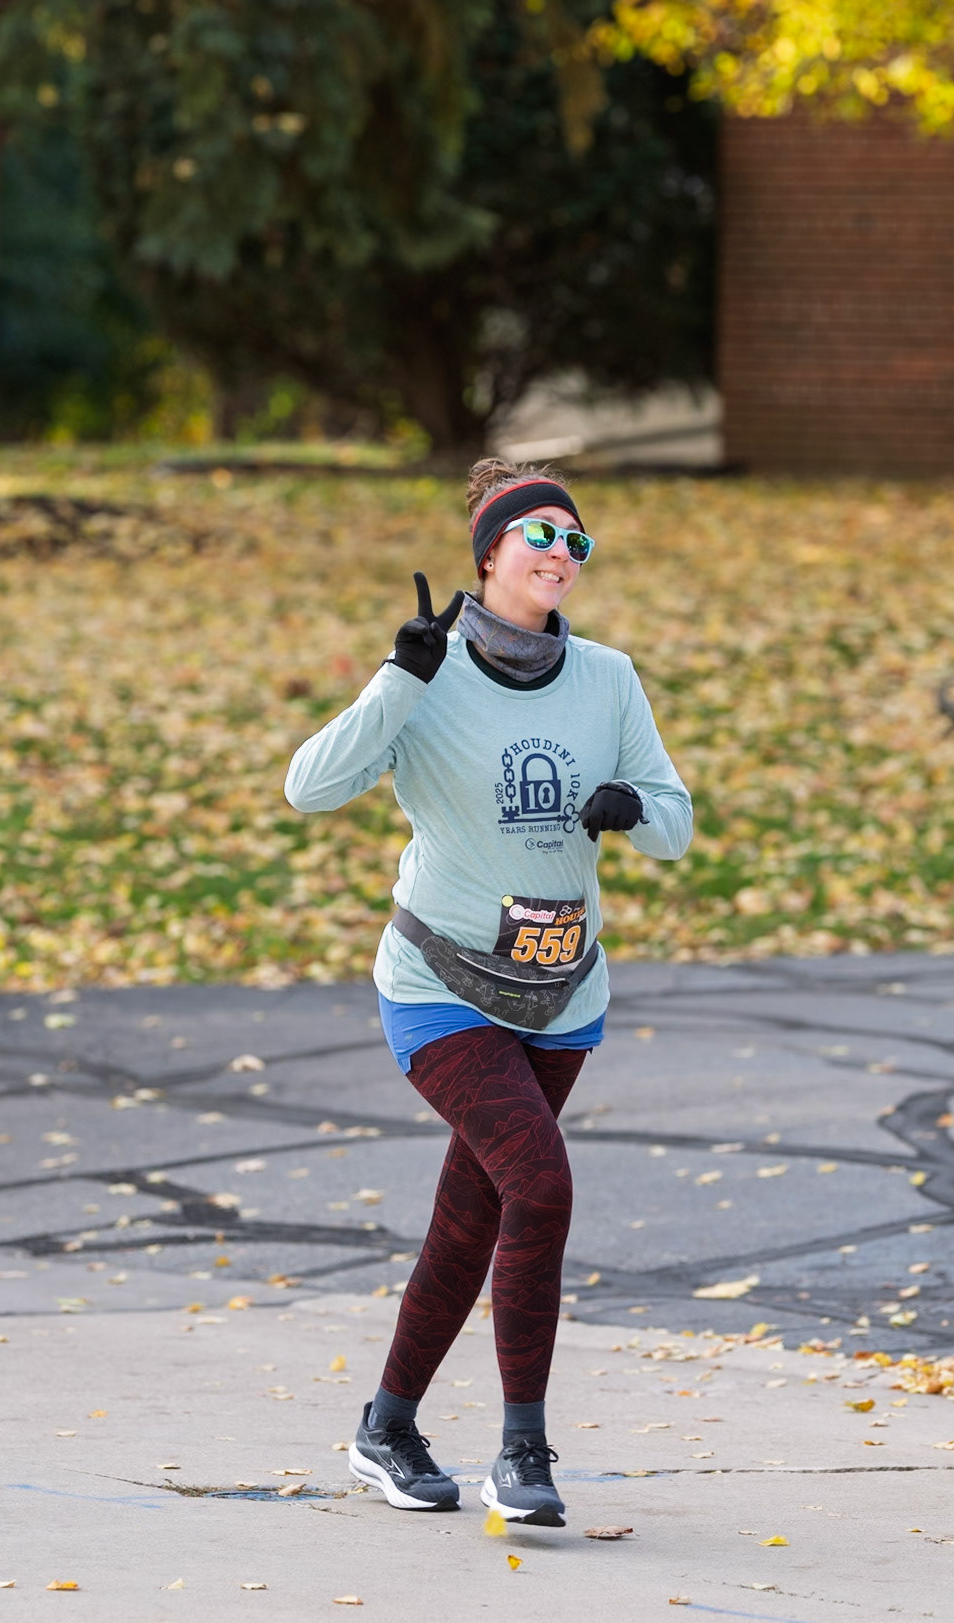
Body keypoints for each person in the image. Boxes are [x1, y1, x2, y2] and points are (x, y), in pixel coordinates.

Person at [284, 457, 692, 1526]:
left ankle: (386, 1427)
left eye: (576, 539)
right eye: (540, 533)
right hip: (441, 985)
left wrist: (631, 806)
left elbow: (674, 824)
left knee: (472, 1215)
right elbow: (308, 788)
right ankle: (521, 1452)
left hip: (561, 991)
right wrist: (396, 677)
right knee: (539, 1186)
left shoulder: (606, 677)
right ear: (489, 555)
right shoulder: (427, 675)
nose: (562, 551)